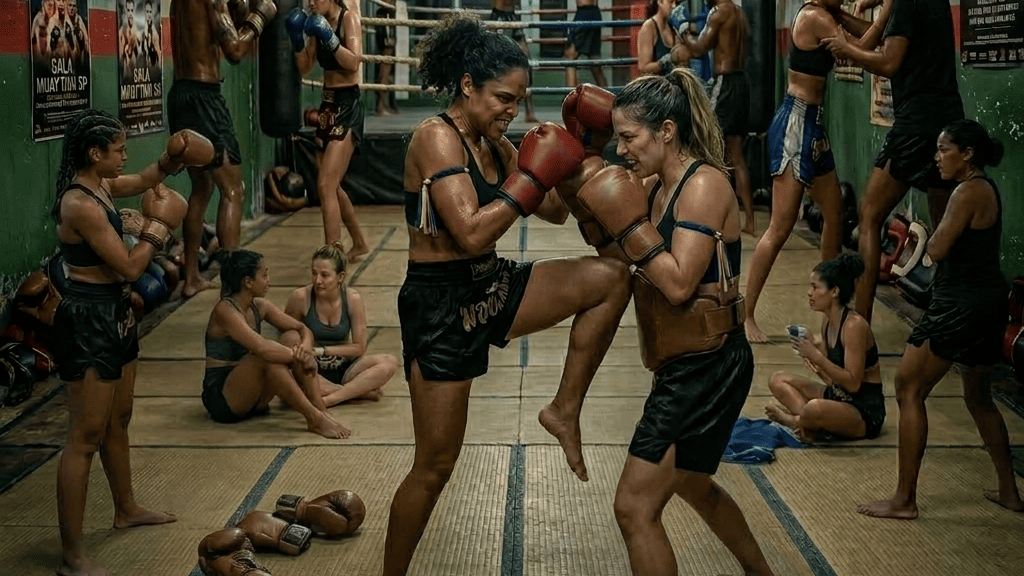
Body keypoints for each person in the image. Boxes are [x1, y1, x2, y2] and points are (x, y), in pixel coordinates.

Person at [382, 14, 632, 575]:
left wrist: (576, 151)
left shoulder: (492, 141)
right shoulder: (435, 138)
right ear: (467, 85)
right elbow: (469, 230)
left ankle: (564, 410)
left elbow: (554, 211)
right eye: (502, 98)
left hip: (491, 285)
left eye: (519, 101)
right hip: (441, 303)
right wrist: (527, 178)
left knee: (614, 277)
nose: (511, 111)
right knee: (436, 465)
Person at [584, 69, 773, 576]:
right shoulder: (656, 186)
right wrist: (575, 173)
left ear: (666, 131)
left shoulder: (704, 185)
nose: (621, 149)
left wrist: (627, 222)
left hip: (707, 365)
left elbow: (678, 284)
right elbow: (613, 250)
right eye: (617, 137)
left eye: (629, 137)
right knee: (690, 482)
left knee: (633, 507)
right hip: (684, 362)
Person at [50, 108, 212, 576]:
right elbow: (129, 268)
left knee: (119, 419)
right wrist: (161, 226)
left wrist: (170, 161)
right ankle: (71, 555)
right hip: (88, 318)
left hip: (116, 314)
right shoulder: (79, 203)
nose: (125, 155)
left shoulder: (102, 186)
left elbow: (143, 179)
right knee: (83, 437)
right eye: (118, 149)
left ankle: (126, 509)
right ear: (95, 153)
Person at [858, 120, 1024, 519]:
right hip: (988, 302)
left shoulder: (967, 192)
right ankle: (1009, 491)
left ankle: (904, 500)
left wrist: (924, 235)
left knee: (909, 387)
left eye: (943, 149)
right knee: (978, 397)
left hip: (959, 304)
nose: (936, 157)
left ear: (966, 154)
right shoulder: (984, 188)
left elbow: (938, 248)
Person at [743, 0, 877, 343]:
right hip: (796, 122)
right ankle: (745, 315)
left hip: (812, 124)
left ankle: (832, 306)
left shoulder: (828, 15)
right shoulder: (815, 16)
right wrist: (888, 10)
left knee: (835, 211)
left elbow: (868, 35)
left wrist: (856, 15)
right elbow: (861, 48)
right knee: (779, 227)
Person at [822, 0, 964, 322]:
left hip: (917, 125)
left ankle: (860, 322)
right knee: (945, 233)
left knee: (869, 215)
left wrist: (847, 47)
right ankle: (950, 316)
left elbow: (888, 61)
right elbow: (886, 36)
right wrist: (841, 16)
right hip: (946, 122)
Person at [169, 0, 276, 298]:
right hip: (205, 99)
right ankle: (232, 288)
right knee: (233, 190)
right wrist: (260, 17)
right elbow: (236, 51)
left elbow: (220, 30)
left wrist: (241, 9)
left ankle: (190, 279)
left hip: (180, 94)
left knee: (201, 189)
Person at [202, 250, 352, 439]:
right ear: (248, 282)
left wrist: (306, 349)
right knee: (265, 357)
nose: (269, 281)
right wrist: (301, 357)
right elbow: (262, 348)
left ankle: (318, 406)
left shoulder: (260, 306)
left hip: (256, 398)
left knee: (290, 337)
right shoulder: (225, 310)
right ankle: (313, 417)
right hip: (225, 399)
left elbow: (301, 328)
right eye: (264, 276)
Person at [766, 254, 886, 442]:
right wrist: (813, 350)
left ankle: (795, 421)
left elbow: (853, 384)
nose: (809, 293)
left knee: (814, 408)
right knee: (778, 380)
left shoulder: (854, 326)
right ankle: (810, 424)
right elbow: (832, 377)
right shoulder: (828, 321)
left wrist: (816, 356)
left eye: (815, 287)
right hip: (838, 396)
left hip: (862, 410)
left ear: (834, 292)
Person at [285, 0, 370, 260]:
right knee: (332, 185)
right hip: (327, 105)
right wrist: (298, 39)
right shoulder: (315, 20)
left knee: (325, 185)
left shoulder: (349, 19)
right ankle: (359, 241)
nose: (310, 2)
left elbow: (354, 62)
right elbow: (305, 67)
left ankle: (332, 255)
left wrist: (328, 36)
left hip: (348, 105)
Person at [284, 244, 397, 405]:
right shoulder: (300, 298)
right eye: (314, 273)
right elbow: (287, 337)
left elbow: (359, 347)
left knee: (389, 362)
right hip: (312, 369)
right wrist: (305, 351)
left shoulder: (352, 299)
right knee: (289, 376)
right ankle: (357, 392)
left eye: (324, 275)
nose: (318, 281)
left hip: (343, 366)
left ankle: (331, 398)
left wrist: (320, 350)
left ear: (340, 277)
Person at [678, 0, 754, 236]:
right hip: (742, 83)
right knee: (736, 156)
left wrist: (683, 33)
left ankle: (709, 212)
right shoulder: (739, 13)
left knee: (704, 142)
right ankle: (749, 220)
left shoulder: (719, 12)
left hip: (725, 85)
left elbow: (699, 48)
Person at [491, 0, 537, 122]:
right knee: (496, 64)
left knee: (526, 62)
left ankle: (529, 112)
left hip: (513, 16)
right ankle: (495, 111)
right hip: (499, 17)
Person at [636, 0, 691, 77]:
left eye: (676, 3)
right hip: (658, 86)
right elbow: (643, 67)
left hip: (675, 85)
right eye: (671, 2)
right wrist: (667, 61)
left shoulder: (673, 27)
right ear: (660, 2)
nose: (674, 6)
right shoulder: (649, 27)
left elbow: (683, 56)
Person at [564, 0, 607, 88]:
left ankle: (571, 98)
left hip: (585, 13)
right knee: (594, 61)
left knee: (570, 56)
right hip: (592, 12)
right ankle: (609, 98)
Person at [373, 0, 399, 116]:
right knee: (383, 77)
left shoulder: (391, 15)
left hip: (388, 48)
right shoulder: (382, 14)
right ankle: (381, 107)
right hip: (385, 48)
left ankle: (385, 105)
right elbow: (384, 35)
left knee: (388, 77)